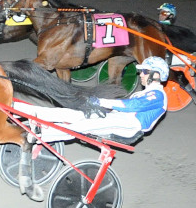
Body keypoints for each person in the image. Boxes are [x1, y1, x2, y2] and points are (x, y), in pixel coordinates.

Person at [16, 57, 169, 145]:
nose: (141, 74)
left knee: (82, 125)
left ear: (156, 75)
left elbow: (130, 106)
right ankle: (20, 109)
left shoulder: (158, 96)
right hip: (119, 118)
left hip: (129, 127)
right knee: (71, 114)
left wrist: (99, 102)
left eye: (145, 71)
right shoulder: (146, 93)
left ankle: (41, 134)